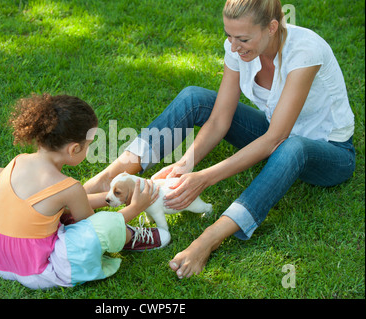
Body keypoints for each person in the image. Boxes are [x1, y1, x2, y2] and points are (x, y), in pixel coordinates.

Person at [84, 0, 356, 279]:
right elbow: (219, 120)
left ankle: (211, 237)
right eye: (229, 35)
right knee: (194, 98)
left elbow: (276, 138)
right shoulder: (238, 48)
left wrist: (205, 178)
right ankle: (110, 178)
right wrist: (186, 163)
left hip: (329, 151)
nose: (234, 46)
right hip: (275, 130)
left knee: (291, 145)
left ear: (272, 28)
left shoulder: (304, 52)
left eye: (243, 38)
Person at [0, 93, 170, 289]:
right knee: (103, 225)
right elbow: (89, 225)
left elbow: (57, 203)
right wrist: (135, 207)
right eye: (89, 145)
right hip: (36, 270)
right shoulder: (69, 187)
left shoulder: (18, 160)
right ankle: (128, 236)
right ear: (74, 149)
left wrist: (113, 197)